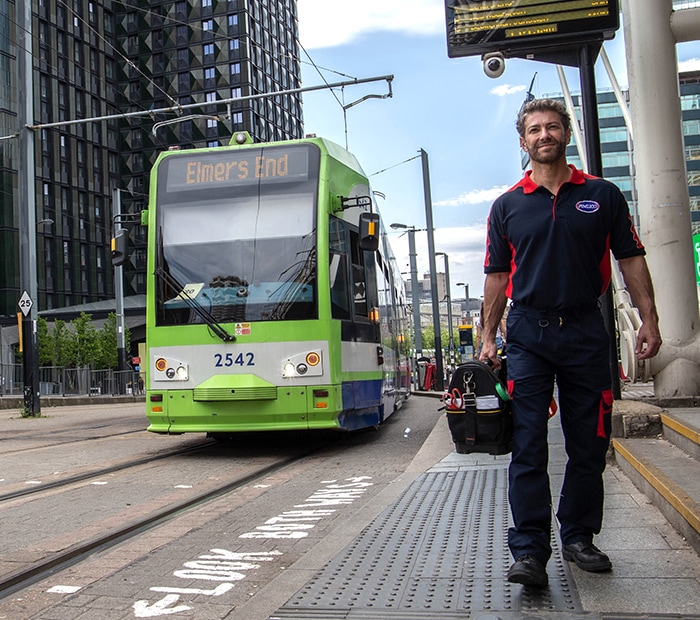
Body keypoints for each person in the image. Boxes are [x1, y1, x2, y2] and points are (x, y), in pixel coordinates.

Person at [480, 98, 662, 588]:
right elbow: (497, 278)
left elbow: (631, 260)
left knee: (589, 443)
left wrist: (649, 319)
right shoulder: (507, 206)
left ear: (565, 134)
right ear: (523, 141)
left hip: (585, 331)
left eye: (552, 127)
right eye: (535, 129)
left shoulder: (603, 196)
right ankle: (530, 549)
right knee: (528, 444)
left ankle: (579, 536)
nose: (544, 135)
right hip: (527, 335)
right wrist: (487, 337)